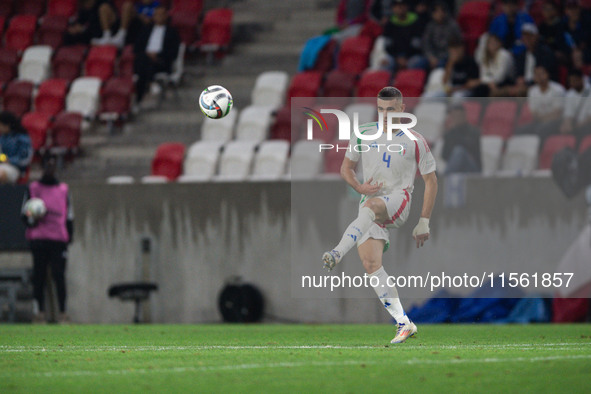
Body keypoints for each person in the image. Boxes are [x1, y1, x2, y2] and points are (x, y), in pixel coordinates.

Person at [322, 87, 437, 344]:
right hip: (369, 203)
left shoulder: (415, 140)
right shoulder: (362, 133)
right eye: (381, 109)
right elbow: (346, 168)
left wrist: (424, 220)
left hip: (399, 200)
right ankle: (404, 323)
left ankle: (337, 252)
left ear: (402, 109)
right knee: (371, 265)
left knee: (371, 206)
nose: (385, 115)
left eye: (391, 109)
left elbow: (431, 181)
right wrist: (359, 187)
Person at [22, 155, 74, 324]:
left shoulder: (63, 189)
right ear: (42, 167)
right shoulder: (34, 188)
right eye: (47, 166)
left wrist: (69, 238)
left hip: (58, 239)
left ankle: (63, 313)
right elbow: (25, 215)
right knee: (39, 277)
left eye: (53, 165)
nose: (50, 169)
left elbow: (69, 215)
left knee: (59, 276)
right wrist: (33, 218)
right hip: (39, 239)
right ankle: (39, 313)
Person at [133, 6, 181, 104]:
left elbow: (173, 52)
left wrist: (158, 55)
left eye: (161, 14)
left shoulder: (172, 32)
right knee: (144, 61)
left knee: (144, 65)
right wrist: (148, 54)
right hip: (145, 59)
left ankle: (141, 96)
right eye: (156, 15)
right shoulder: (146, 30)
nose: (158, 17)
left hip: (161, 61)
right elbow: (137, 47)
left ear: (166, 16)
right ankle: (150, 84)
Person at [515, 64, 565, 143]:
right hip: (539, 121)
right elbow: (534, 113)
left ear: (547, 74)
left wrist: (543, 119)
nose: (539, 76)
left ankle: (539, 153)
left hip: (556, 122)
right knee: (519, 130)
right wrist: (541, 119)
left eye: (541, 73)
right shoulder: (532, 91)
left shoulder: (558, 89)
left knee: (541, 129)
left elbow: (557, 113)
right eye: (536, 74)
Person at [508, 23, 556, 96]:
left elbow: (545, 75)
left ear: (536, 36)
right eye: (524, 36)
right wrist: (519, 79)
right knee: (500, 92)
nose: (527, 38)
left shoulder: (545, 53)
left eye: (530, 36)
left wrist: (527, 83)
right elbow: (518, 73)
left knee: (520, 92)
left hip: (540, 85)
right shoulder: (522, 55)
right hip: (523, 85)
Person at [416, 1, 462, 70]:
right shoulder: (430, 26)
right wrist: (431, 57)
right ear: (432, 14)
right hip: (432, 56)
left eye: (442, 11)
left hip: (447, 56)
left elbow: (458, 43)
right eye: (436, 11)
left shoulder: (452, 26)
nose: (439, 14)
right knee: (416, 64)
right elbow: (426, 44)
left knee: (440, 64)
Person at [382, 0, 425, 72]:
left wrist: (406, 58)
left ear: (407, 7)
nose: (400, 8)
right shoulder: (389, 23)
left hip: (412, 55)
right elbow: (388, 45)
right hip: (395, 56)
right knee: (386, 63)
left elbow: (417, 45)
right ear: (393, 8)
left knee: (415, 63)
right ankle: (389, 83)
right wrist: (397, 58)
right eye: (397, 6)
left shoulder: (416, 21)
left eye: (402, 5)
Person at [441, 104, 481, 174]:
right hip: (457, 168)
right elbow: (444, 155)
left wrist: (454, 132)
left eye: (458, 116)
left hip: (473, 168)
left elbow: (470, 148)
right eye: (454, 116)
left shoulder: (473, 131)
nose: (456, 118)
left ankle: (444, 178)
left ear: (464, 116)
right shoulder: (450, 133)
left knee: (459, 151)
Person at [0, 111, 32, 184]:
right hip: (2, 165)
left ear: (7, 125)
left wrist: (10, 161)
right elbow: (1, 155)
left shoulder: (22, 138)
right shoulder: (2, 138)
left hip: (16, 169)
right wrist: (3, 158)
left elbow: (25, 159)